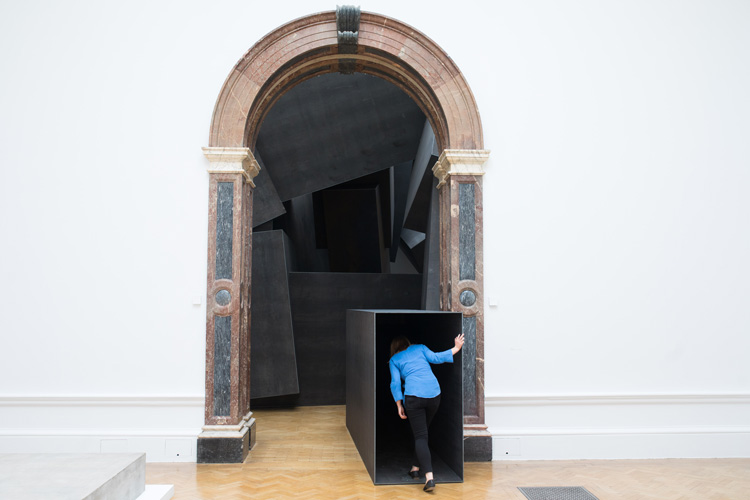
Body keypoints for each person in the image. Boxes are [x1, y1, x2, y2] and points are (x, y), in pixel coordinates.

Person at [389, 333, 465, 493]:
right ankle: (415, 468)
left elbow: (395, 383)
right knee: (422, 433)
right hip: (434, 394)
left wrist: (398, 404)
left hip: (414, 397)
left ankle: (429, 477)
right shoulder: (420, 348)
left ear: (394, 349)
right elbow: (436, 358)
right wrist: (456, 348)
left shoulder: (394, 360)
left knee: (420, 436)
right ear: (408, 343)